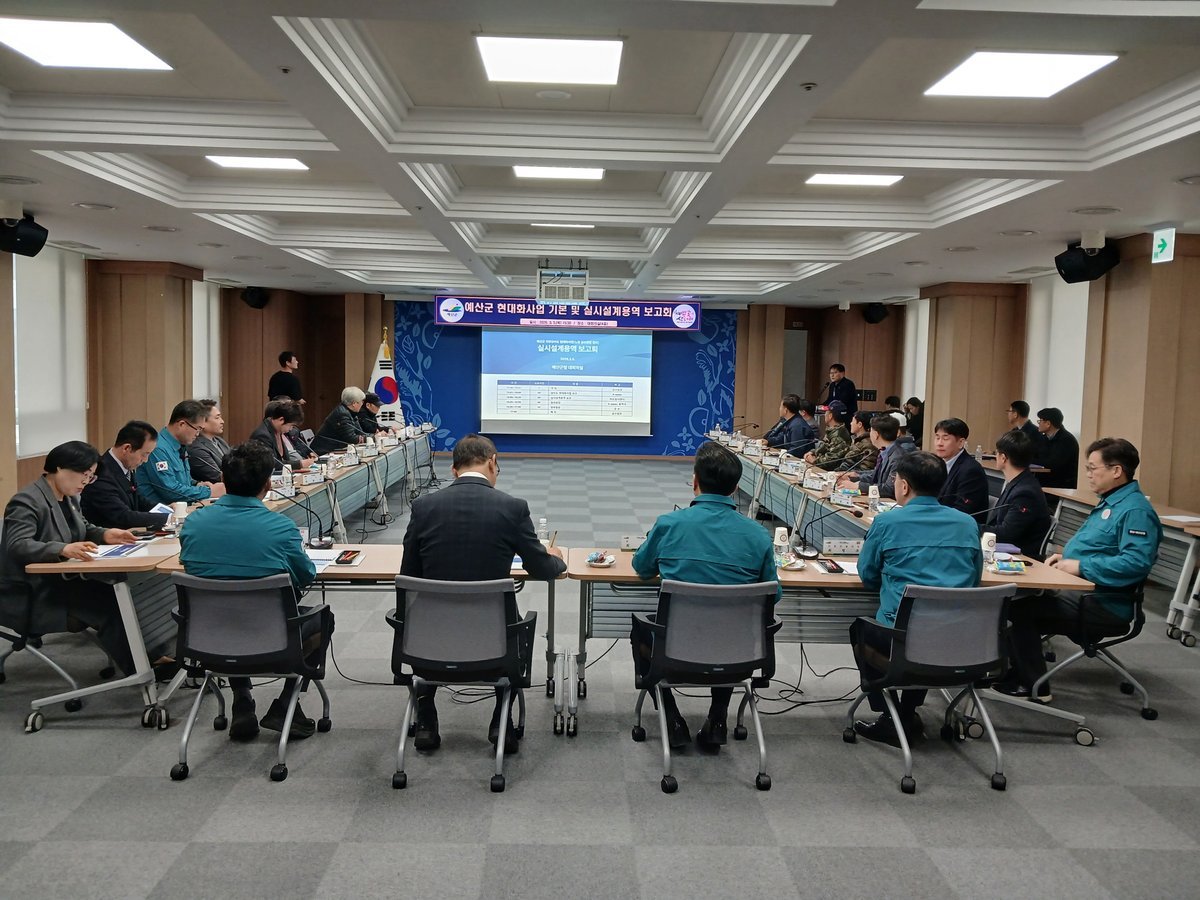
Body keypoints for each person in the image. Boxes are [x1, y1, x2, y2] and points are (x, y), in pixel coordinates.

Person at [400, 434, 565, 754]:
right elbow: (542, 568)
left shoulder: (423, 507)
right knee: (518, 624)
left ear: (454, 470)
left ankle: (426, 719)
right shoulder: (512, 508)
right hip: (494, 642)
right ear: (492, 462)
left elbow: (409, 575)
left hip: (430, 641)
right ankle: (500, 719)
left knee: (427, 614)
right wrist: (557, 557)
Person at [632, 441, 779, 752]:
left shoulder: (669, 525)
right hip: (739, 657)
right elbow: (772, 595)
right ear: (736, 488)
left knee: (641, 630)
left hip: (673, 654)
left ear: (694, 480)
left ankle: (671, 717)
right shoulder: (758, 535)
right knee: (727, 627)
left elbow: (641, 568)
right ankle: (718, 717)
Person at [179, 441, 330, 741]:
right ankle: (286, 704)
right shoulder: (281, 528)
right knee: (323, 619)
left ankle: (242, 700)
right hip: (272, 638)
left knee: (231, 608)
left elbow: (189, 565)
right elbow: (306, 575)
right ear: (268, 484)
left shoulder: (193, 523)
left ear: (223, 479)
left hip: (208, 639)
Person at [997, 438, 1161, 701]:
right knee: (1012, 597)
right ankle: (1012, 672)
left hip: (1104, 602)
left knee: (1017, 607)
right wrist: (1065, 557)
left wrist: (1081, 565)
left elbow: (1136, 563)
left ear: (1116, 471)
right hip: (1082, 590)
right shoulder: (1111, 502)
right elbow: (1102, 547)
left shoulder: (1135, 511)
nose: (1088, 475)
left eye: (1093, 468)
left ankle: (1034, 686)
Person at [851, 451, 983, 746]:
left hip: (903, 638)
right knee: (926, 628)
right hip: (958, 637)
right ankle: (907, 712)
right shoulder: (967, 524)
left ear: (904, 486)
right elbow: (974, 581)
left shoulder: (887, 523)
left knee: (861, 631)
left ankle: (890, 716)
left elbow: (868, 575)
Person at [0, 442, 142, 677]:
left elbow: (83, 528)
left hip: (63, 582)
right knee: (109, 604)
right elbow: (18, 545)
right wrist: (63, 549)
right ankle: (139, 670)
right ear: (59, 467)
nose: (86, 481)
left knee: (123, 593)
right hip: (34, 592)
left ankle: (148, 660)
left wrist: (106, 534)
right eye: (84, 474)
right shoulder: (26, 501)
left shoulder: (69, 497)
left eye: (91, 476)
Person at [80, 420, 170, 530]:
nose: (145, 460)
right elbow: (123, 516)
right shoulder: (100, 473)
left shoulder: (125, 466)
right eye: (144, 454)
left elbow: (137, 499)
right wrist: (167, 517)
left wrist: (165, 509)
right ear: (127, 448)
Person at [136, 400, 227, 505]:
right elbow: (169, 491)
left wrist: (197, 484)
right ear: (182, 424)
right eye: (197, 429)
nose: (198, 434)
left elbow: (183, 481)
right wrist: (209, 492)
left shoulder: (181, 446)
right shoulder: (158, 448)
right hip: (160, 511)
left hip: (181, 508)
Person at [985, 429, 1053, 559]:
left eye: (997, 453)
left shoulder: (1025, 492)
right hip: (1003, 551)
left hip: (1019, 557)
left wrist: (971, 527)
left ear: (1003, 458)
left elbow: (1006, 534)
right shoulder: (1019, 482)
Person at [837, 414, 913, 499]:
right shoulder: (885, 451)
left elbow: (889, 489)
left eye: (871, 431)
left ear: (876, 434)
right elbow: (876, 476)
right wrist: (853, 477)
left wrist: (858, 486)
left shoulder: (897, 457)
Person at [932, 417, 989, 518]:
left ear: (961, 443)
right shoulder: (937, 463)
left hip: (960, 524)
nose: (939, 443)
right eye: (937, 438)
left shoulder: (971, 471)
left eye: (945, 438)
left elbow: (961, 511)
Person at [251, 399, 317, 469]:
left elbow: (285, 459)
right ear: (281, 420)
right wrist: (299, 464)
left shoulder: (278, 430)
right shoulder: (262, 436)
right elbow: (270, 464)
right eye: (291, 425)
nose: (291, 429)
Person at [311, 387, 368, 454]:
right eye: (361, 401)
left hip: (334, 449)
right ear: (354, 403)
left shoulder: (351, 413)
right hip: (323, 451)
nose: (362, 404)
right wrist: (371, 438)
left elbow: (359, 432)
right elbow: (351, 438)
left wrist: (372, 436)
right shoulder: (342, 414)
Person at [1034, 407, 1080, 490]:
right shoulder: (1043, 438)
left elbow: (1053, 464)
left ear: (1048, 424)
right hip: (1045, 481)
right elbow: (1034, 455)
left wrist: (1031, 461)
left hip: (1061, 484)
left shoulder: (1067, 440)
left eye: (1040, 421)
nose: (1038, 424)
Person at [188, 399, 231, 484]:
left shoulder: (219, 441)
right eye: (217, 418)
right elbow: (218, 476)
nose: (222, 421)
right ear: (203, 422)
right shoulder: (196, 448)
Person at [804, 400, 851, 468]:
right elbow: (823, 447)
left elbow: (831, 461)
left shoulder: (838, 436)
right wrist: (813, 452)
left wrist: (814, 461)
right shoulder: (833, 430)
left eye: (826, 412)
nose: (825, 415)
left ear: (830, 416)